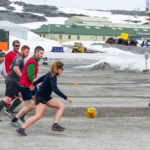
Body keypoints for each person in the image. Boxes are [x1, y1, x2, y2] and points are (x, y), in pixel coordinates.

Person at [16, 61, 72, 136]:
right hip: (41, 97)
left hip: (46, 97)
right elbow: (55, 89)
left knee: (61, 106)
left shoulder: (50, 73)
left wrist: (34, 84)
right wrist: (66, 97)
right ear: (58, 69)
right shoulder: (52, 76)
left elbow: (41, 78)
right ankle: (21, 128)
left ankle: (55, 125)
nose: (62, 70)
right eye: (62, 69)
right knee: (38, 115)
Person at [11, 46, 44, 127]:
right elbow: (30, 76)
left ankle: (22, 114)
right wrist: (38, 83)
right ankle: (14, 120)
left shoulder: (35, 61)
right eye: (41, 53)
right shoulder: (32, 62)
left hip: (31, 86)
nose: (42, 55)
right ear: (36, 53)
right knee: (29, 105)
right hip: (25, 86)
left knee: (38, 101)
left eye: (43, 53)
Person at [0, 45, 30, 121]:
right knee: (7, 98)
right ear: (22, 51)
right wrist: (22, 77)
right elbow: (15, 68)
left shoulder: (20, 58)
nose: (27, 53)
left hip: (15, 81)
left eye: (28, 52)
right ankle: (9, 110)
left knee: (21, 96)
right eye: (26, 52)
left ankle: (9, 110)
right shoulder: (19, 58)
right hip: (12, 81)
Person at [4, 40, 20, 110]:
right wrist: (8, 75)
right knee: (10, 93)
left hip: (18, 76)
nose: (17, 47)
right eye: (16, 45)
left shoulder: (19, 54)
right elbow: (7, 66)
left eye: (18, 45)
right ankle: (8, 105)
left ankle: (8, 104)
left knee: (18, 92)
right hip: (12, 77)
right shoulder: (8, 55)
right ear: (13, 46)